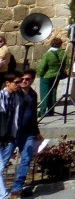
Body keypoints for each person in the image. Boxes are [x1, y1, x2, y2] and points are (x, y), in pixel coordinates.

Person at [10, 69, 41, 198]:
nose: (24, 81)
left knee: (26, 159)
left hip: (27, 133)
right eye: (22, 79)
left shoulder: (33, 95)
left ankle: (17, 188)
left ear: (32, 80)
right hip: (12, 133)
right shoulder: (14, 93)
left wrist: (37, 133)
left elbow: (33, 116)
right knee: (3, 160)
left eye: (27, 79)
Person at [0, 71, 23, 199]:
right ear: (7, 83)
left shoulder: (17, 97)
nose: (19, 85)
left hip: (10, 137)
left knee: (1, 167)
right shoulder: (1, 97)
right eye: (16, 82)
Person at [35, 37, 67, 117]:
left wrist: (39, 74)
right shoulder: (63, 54)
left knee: (44, 94)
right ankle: (51, 110)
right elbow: (66, 65)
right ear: (60, 44)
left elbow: (42, 66)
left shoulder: (47, 54)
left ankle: (42, 111)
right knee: (53, 93)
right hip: (57, 75)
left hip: (46, 76)